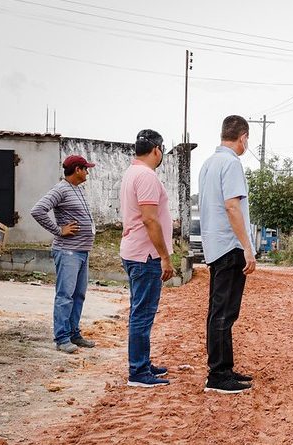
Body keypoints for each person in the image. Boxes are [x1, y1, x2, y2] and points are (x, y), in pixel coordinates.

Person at [199, 115, 257, 394]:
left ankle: (224, 368)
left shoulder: (209, 163)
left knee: (218, 310)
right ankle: (219, 375)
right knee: (225, 312)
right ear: (243, 137)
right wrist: (247, 247)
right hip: (230, 247)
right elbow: (232, 207)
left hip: (215, 245)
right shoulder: (231, 163)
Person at [119, 129, 174, 388]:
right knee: (143, 313)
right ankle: (139, 372)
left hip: (134, 251)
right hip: (146, 254)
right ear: (157, 150)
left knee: (139, 311)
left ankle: (142, 362)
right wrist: (165, 256)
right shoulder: (146, 176)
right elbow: (150, 219)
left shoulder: (133, 172)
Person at [31, 155, 98, 354]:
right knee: (65, 296)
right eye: (86, 168)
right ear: (77, 169)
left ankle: (74, 334)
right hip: (68, 251)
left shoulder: (77, 189)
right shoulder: (60, 189)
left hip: (82, 251)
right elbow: (38, 210)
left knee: (78, 295)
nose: (88, 172)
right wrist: (59, 230)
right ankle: (62, 338)